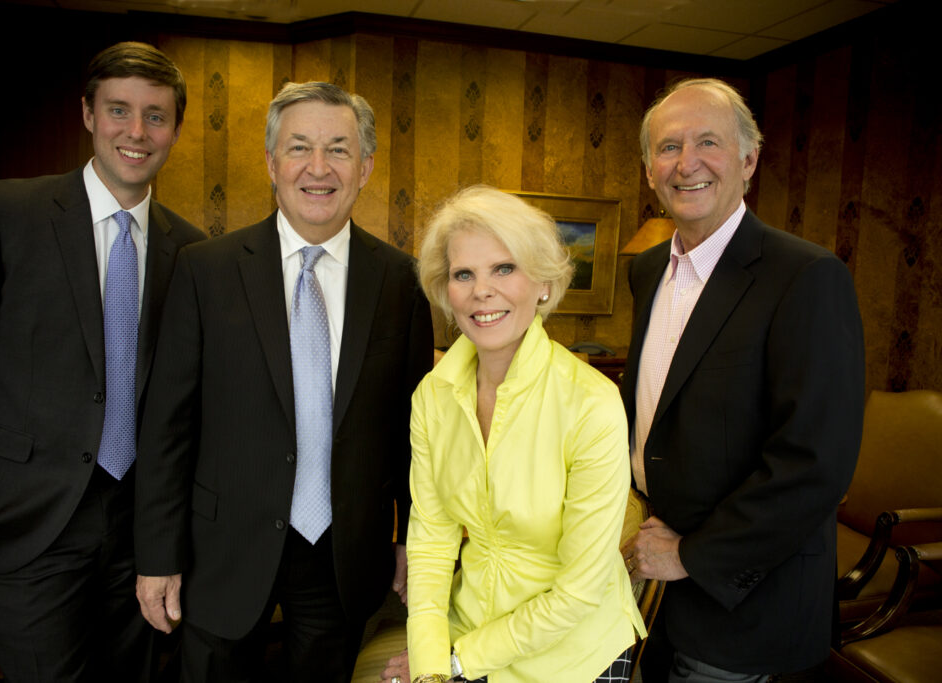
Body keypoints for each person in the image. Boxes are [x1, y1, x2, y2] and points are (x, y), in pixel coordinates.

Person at [0, 42, 205, 681]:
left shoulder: (190, 251)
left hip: (137, 536)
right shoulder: (1, 212)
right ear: (87, 114)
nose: (137, 131)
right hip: (20, 522)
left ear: (176, 129)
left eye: (156, 116)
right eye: (119, 110)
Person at [133, 81, 434, 682]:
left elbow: (414, 428)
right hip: (221, 553)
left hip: (345, 554)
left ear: (366, 167)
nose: (318, 168)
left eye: (339, 150)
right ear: (272, 163)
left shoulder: (403, 280)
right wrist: (158, 557)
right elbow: (168, 426)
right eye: (299, 148)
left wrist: (413, 540)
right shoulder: (205, 270)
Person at [620, 78, 865, 681]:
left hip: (747, 601)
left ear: (749, 160)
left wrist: (690, 555)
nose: (687, 163)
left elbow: (814, 464)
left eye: (709, 142)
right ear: (650, 170)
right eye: (668, 147)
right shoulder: (649, 269)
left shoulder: (807, 276)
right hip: (653, 585)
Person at [382, 185, 646, 683]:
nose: (483, 290)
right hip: (473, 623)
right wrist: (431, 662)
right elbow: (432, 542)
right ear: (446, 292)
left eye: (504, 268)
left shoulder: (592, 404)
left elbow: (577, 593)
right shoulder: (431, 398)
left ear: (543, 283)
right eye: (464, 274)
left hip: (574, 649)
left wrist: (458, 661)